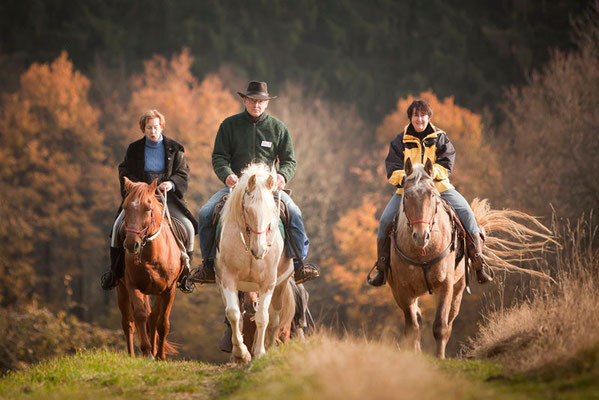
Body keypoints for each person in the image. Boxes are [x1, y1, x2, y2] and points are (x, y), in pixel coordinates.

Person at [191, 80, 319, 285]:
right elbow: (219, 157)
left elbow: (289, 161)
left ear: (267, 103)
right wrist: (226, 175)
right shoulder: (229, 125)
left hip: (268, 189)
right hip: (237, 187)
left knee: (294, 212)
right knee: (206, 212)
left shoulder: (278, 128)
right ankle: (207, 265)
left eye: (261, 101)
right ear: (244, 100)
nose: (256, 105)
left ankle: (299, 264)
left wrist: (282, 176)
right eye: (252, 100)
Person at [367, 99, 493, 287]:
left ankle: (478, 264)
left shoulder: (440, 138)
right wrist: (408, 180)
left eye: (423, 115)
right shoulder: (399, 141)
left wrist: (428, 177)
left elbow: (446, 164)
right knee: (385, 220)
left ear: (428, 117)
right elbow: (392, 169)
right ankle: (382, 269)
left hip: (439, 188)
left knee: (466, 213)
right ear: (410, 118)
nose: (419, 119)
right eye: (416, 116)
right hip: (407, 191)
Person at [100, 109, 198, 293]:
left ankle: (185, 275)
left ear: (161, 127)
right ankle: (114, 272)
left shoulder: (175, 148)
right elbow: (124, 170)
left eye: (156, 127)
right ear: (143, 129)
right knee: (116, 228)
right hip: (140, 198)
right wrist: (137, 186)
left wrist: (171, 183)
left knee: (189, 228)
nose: (153, 131)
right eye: (149, 128)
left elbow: (183, 173)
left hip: (166, 199)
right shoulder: (134, 148)